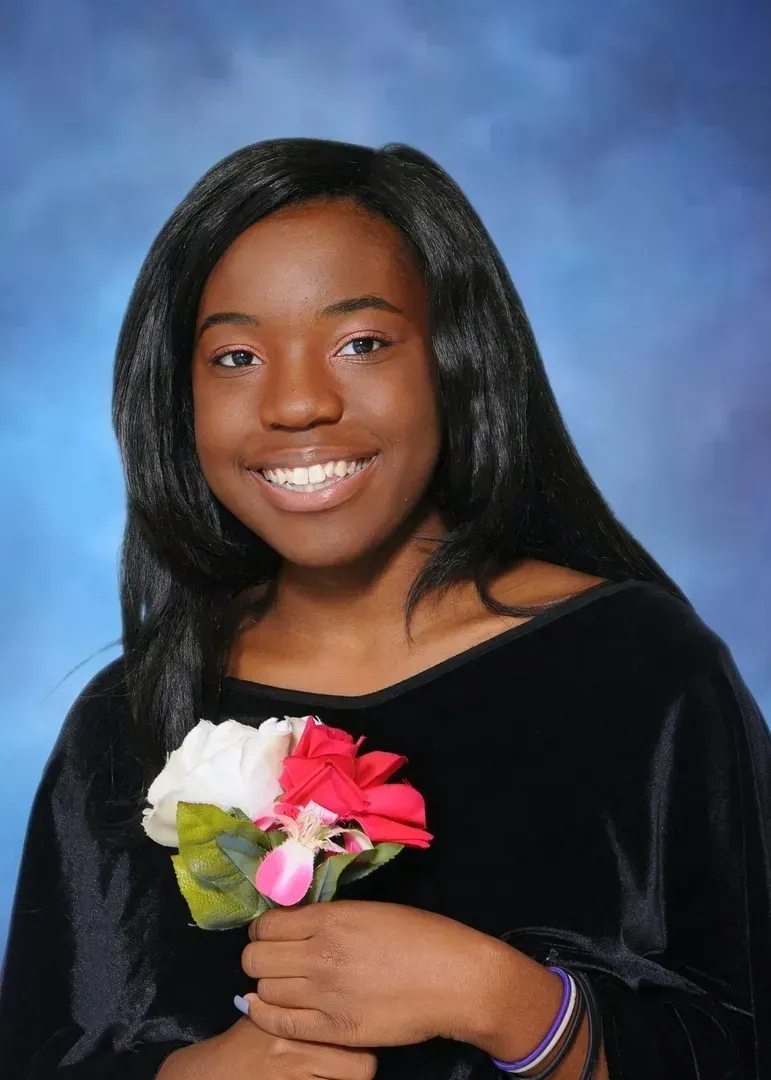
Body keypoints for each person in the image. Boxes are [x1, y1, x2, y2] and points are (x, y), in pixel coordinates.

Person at [0, 137, 769, 1080]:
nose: (296, 404)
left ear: (456, 359)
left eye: (360, 343)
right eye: (235, 356)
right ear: (177, 402)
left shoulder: (640, 673)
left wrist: (509, 1004)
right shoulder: (128, 720)